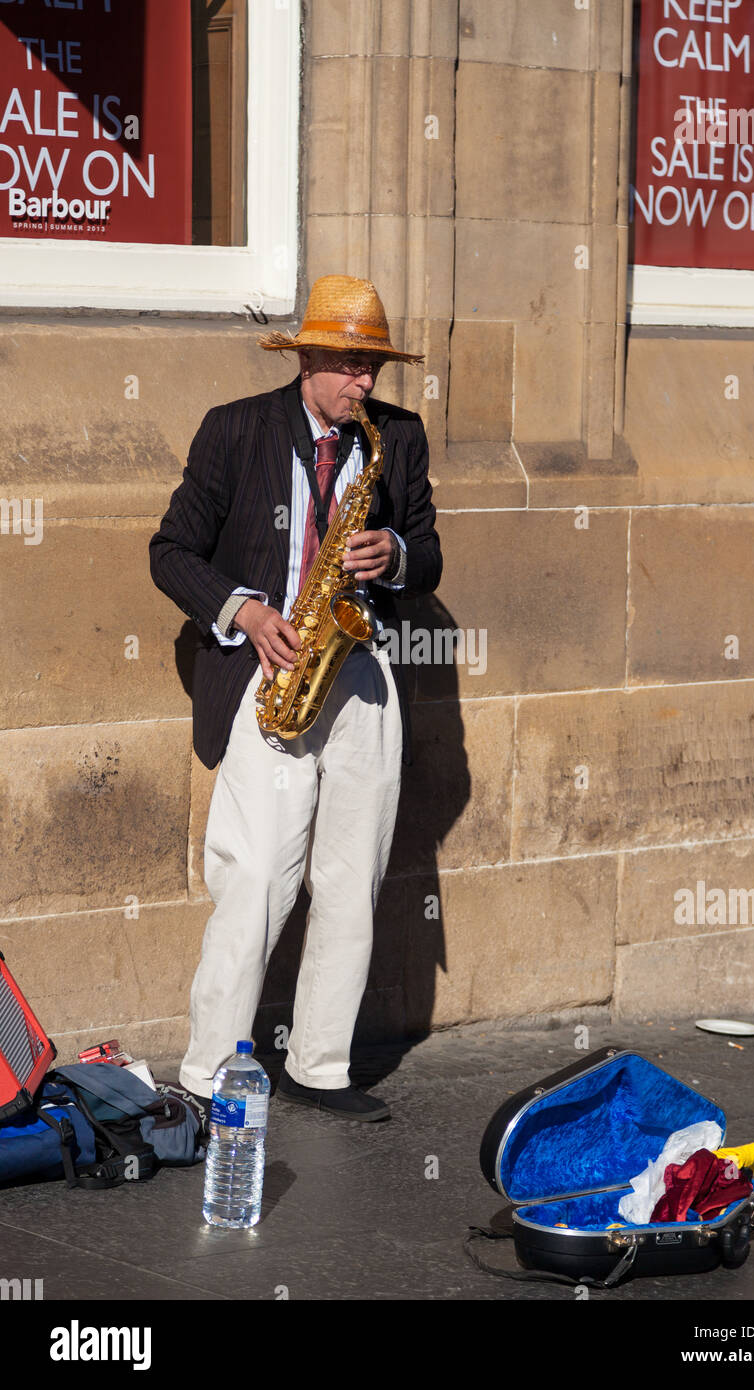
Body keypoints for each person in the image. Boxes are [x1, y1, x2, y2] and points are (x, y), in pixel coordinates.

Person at [149, 274, 442, 1121]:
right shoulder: (235, 429)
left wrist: (395, 551)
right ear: (308, 357)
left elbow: (429, 553)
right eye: (350, 366)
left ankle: (320, 1064)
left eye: (374, 369)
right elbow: (171, 553)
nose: (364, 385)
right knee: (258, 879)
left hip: (356, 671)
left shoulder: (397, 439)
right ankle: (208, 1075)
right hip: (266, 674)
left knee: (354, 877)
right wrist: (243, 608)